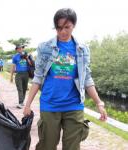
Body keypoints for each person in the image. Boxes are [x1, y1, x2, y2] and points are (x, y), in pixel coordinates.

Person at [23, 8, 107, 150]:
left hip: (74, 105)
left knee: (72, 147)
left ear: (73, 25)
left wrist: (99, 103)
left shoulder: (82, 49)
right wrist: (27, 104)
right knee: (47, 146)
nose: (63, 32)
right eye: (59, 27)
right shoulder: (45, 47)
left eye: (67, 27)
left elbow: (86, 79)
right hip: (50, 104)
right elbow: (37, 77)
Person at [10, 45, 32, 109]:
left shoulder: (27, 55)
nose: (20, 49)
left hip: (26, 74)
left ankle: (22, 102)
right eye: (18, 48)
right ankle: (20, 102)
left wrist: (27, 58)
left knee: (24, 88)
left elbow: (31, 64)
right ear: (16, 49)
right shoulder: (15, 57)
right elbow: (13, 67)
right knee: (20, 88)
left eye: (21, 48)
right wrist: (11, 76)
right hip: (18, 74)